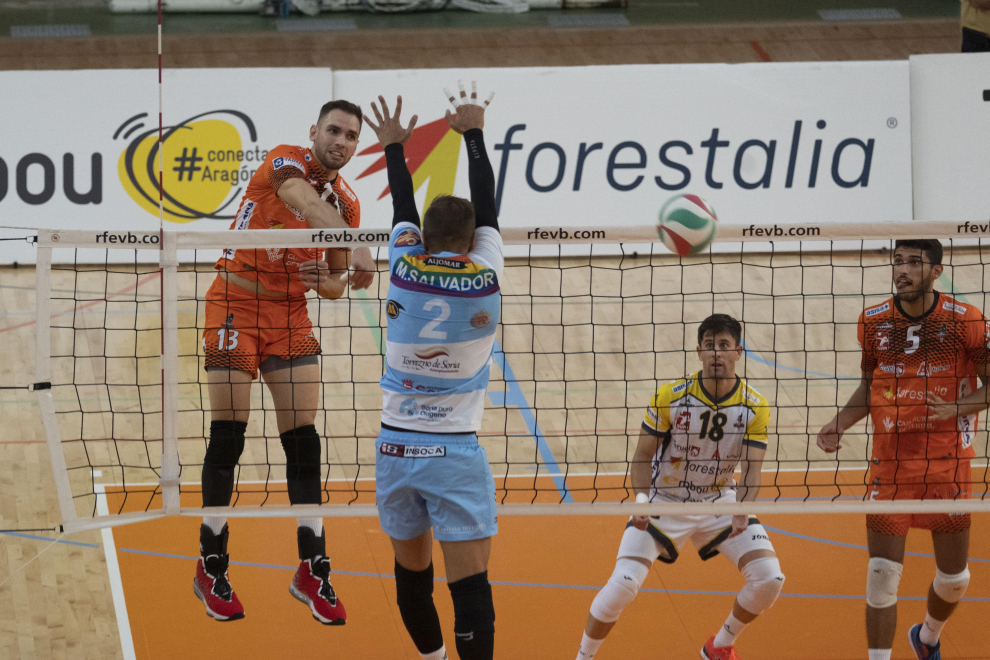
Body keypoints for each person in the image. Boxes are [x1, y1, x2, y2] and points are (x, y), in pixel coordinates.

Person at [194, 99, 376, 624]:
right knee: (228, 436)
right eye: (334, 130)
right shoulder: (284, 162)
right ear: (314, 131)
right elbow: (307, 204)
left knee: (303, 441)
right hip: (233, 302)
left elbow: (337, 284)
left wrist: (330, 282)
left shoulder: (348, 204)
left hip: (290, 314)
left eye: (351, 136)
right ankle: (210, 564)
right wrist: (357, 242)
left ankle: (312, 569)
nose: (341, 141)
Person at [364, 82, 501, 660]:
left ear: (421, 237)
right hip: (453, 450)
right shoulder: (487, 274)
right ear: (472, 242)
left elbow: (402, 207)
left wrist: (393, 146)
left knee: (411, 579)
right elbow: (488, 207)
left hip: (395, 447)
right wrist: (474, 133)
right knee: (470, 589)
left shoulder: (402, 265)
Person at [576, 314, 783, 660]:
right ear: (698, 352)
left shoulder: (754, 405)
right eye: (709, 345)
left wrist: (742, 510)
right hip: (666, 500)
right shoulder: (671, 396)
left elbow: (751, 470)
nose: (716, 353)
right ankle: (583, 657)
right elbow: (642, 456)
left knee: (769, 578)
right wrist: (642, 500)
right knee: (623, 584)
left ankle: (720, 645)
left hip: (719, 501)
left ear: (738, 352)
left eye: (724, 345)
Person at [817, 239, 986, 660]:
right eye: (897, 261)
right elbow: (868, 386)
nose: (902, 270)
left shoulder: (966, 320)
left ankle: (927, 636)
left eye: (914, 262)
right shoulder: (873, 321)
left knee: (955, 580)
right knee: (881, 576)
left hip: (947, 466)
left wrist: (956, 408)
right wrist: (839, 422)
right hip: (890, 467)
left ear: (936, 271)